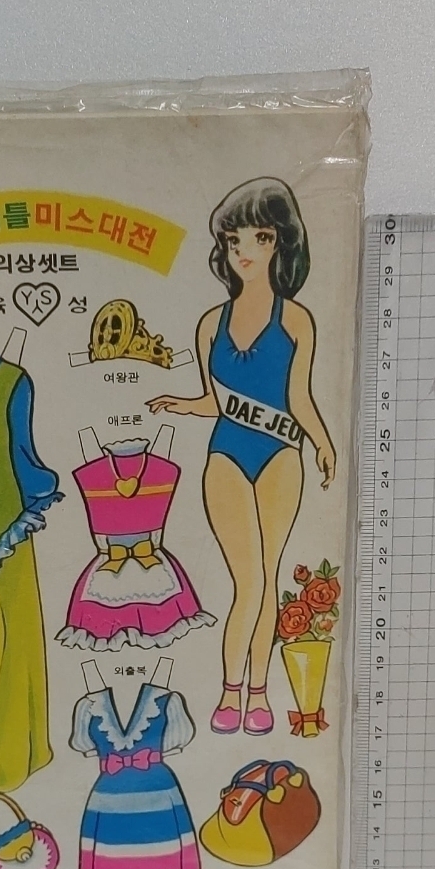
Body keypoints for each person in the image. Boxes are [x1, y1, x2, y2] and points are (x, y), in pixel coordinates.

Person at [148, 177, 336, 734]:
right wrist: (182, 406)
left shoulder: (296, 320)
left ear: (279, 242)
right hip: (226, 455)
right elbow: (216, 400)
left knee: (268, 578)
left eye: (257, 238)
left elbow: (298, 396)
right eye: (234, 242)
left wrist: (323, 442)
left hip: (281, 456)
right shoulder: (211, 323)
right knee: (247, 582)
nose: (243, 252)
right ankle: (232, 691)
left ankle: (258, 694)